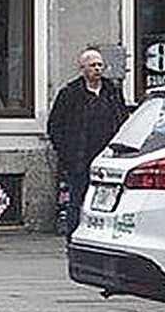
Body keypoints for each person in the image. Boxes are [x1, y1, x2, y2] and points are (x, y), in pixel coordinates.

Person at [46, 47, 128, 238]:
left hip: (108, 158)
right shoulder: (70, 93)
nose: (97, 69)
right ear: (82, 68)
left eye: (100, 65)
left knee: (107, 201)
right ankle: (74, 236)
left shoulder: (112, 91)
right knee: (77, 200)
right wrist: (65, 153)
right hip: (79, 158)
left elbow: (122, 120)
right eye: (92, 65)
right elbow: (55, 126)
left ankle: (104, 237)